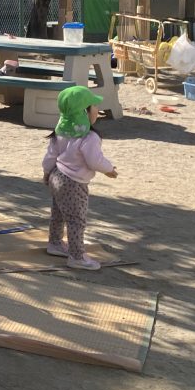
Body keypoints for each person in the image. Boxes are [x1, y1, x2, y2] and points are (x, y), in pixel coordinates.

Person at [42, 86, 118, 270]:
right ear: (85, 112)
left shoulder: (60, 131)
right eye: (94, 107)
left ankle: (55, 243)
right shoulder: (89, 137)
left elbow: (50, 155)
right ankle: (76, 256)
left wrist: (46, 173)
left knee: (58, 214)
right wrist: (109, 170)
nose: (97, 110)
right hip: (73, 183)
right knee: (76, 220)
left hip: (56, 176)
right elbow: (94, 160)